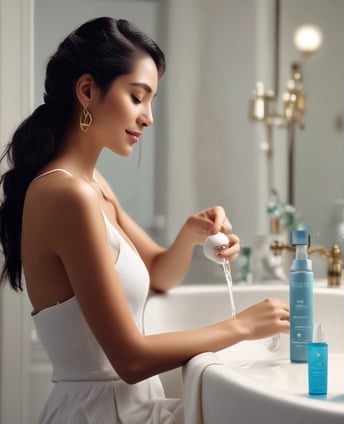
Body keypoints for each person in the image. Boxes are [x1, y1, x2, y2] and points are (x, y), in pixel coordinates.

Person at [0, 17, 290, 424]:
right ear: (87, 91)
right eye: (138, 97)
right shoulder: (68, 194)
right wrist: (240, 327)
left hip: (129, 409)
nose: (148, 117)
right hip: (99, 414)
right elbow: (130, 358)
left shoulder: (92, 184)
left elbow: (158, 273)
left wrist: (191, 234)